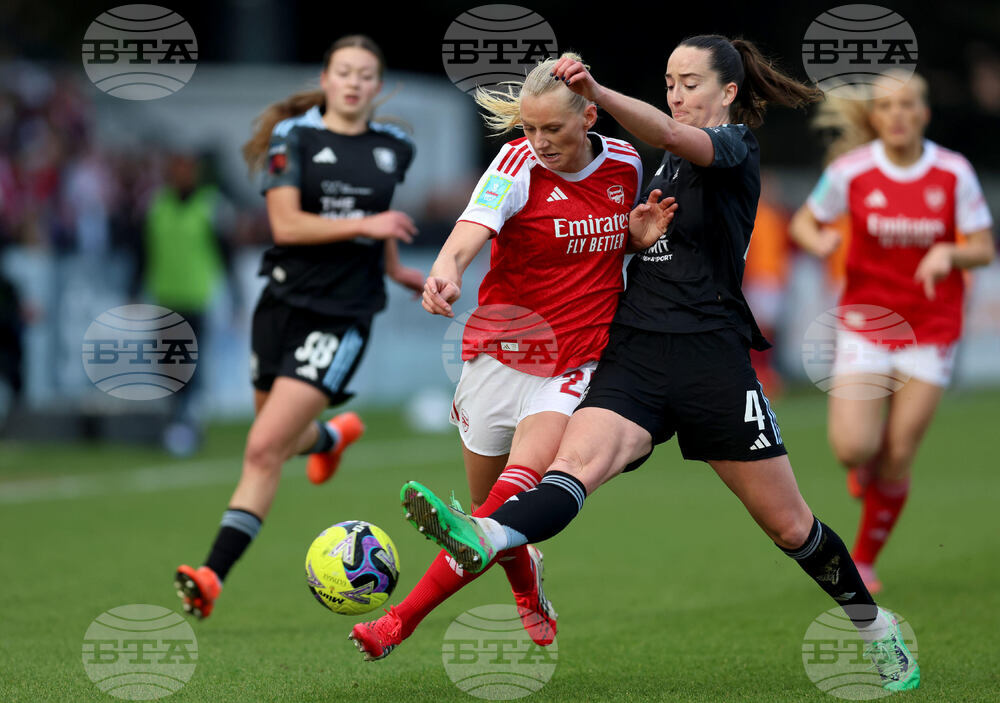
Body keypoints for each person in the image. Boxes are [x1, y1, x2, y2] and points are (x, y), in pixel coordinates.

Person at [400, 36, 921, 692]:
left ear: (728, 91)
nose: (676, 94)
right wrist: (633, 239)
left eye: (690, 82)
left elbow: (673, 133)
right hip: (636, 356)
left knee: (791, 526)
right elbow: (625, 228)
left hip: (712, 364)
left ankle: (872, 624)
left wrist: (596, 92)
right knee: (570, 471)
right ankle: (488, 534)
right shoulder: (658, 163)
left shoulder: (732, 145)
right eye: (670, 82)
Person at [348, 53, 676, 661]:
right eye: (529, 127)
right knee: (487, 514)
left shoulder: (626, 164)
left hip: (575, 362)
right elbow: (465, 238)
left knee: (505, 504)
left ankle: (397, 622)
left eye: (552, 128)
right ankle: (527, 584)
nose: (539, 141)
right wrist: (444, 274)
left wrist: (634, 238)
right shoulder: (516, 165)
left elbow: (607, 246)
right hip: (498, 356)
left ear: (588, 118)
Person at [173, 35, 425, 619]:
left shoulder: (395, 148)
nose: (355, 82)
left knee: (262, 447)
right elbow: (287, 226)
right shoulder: (295, 138)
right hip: (282, 303)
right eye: (345, 72)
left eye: (366, 74)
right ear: (327, 79)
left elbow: (381, 218)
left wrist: (393, 269)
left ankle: (211, 576)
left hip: (343, 316)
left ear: (378, 86)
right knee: (276, 439)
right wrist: (369, 224)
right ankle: (329, 438)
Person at [789, 73, 994, 594]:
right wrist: (820, 241)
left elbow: (983, 248)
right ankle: (864, 468)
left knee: (899, 453)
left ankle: (865, 559)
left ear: (924, 113)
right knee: (853, 448)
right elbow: (804, 222)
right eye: (886, 106)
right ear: (874, 118)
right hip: (868, 323)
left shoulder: (953, 171)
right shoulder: (851, 171)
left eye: (908, 105)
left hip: (932, 327)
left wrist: (949, 253)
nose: (898, 114)